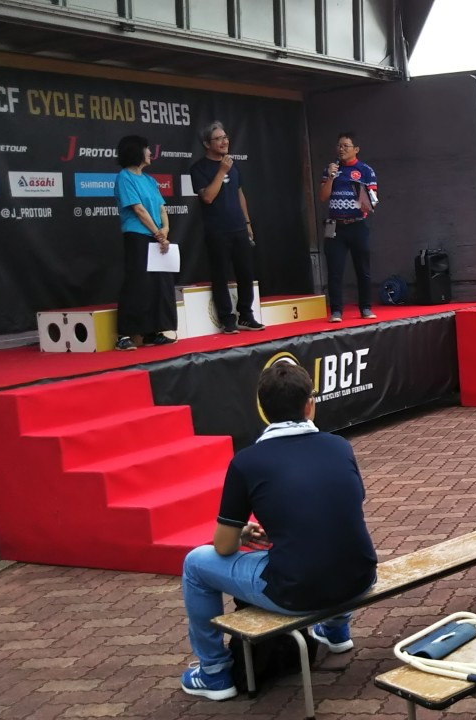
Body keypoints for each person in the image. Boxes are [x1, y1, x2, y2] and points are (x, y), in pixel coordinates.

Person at [179, 363, 377, 701]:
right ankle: (336, 630)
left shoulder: (247, 461)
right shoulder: (339, 446)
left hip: (296, 593)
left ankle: (214, 672)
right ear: (309, 405)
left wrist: (243, 535)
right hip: (361, 578)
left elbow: (223, 547)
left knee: (195, 564)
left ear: (262, 409)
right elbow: (343, 508)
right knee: (336, 542)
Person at [189, 121, 264, 334]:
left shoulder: (233, 164)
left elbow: (239, 193)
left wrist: (247, 222)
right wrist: (222, 171)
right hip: (217, 230)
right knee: (220, 275)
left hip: (238, 227)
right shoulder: (199, 168)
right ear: (207, 144)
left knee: (246, 273)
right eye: (218, 139)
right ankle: (226, 319)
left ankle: (246, 315)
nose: (224, 142)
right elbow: (208, 197)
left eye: (225, 137)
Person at [113, 134, 177, 351]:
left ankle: (153, 332)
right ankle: (124, 335)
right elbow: (138, 210)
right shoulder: (124, 177)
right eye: (147, 149)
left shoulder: (149, 180)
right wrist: (158, 233)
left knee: (158, 284)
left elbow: (161, 207)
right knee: (138, 283)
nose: (150, 153)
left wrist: (165, 230)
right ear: (136, 151)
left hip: (157, 237)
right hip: (138, 236)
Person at [317, 132, 378, 323]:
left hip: (357, 225)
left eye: (346, 146)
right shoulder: (330, 169)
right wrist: (331, 177)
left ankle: (365, 308)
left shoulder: (366, 170)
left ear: (356, 149)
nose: (341, 149)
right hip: (336, 227)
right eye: (339, 146)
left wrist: (360, 193)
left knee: (363, 269)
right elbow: (323, 197)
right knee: (335, 270)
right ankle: (336, 311)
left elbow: (372, 204)